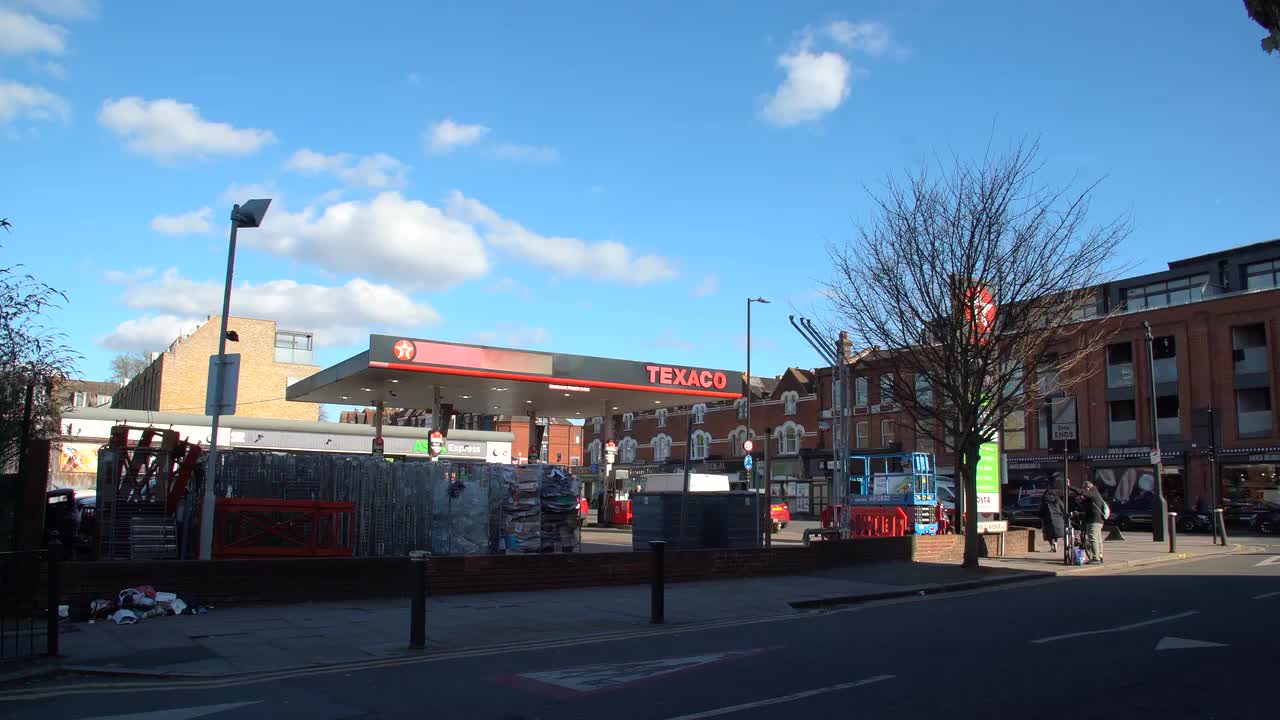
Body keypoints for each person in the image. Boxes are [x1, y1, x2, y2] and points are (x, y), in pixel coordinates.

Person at [1080, 480, 1107, 564]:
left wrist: (1069, 487)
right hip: (1099, 521)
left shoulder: (1093, 492)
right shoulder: (1095, 494)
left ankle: (1096, 558)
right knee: (1098, 539)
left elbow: (1082, 492)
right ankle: (1100, 556)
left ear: (1088, 487)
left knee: (1093, 538)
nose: (1084, 491)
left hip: (1094, 521)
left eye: (1084, 488)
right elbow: (1089, 507)